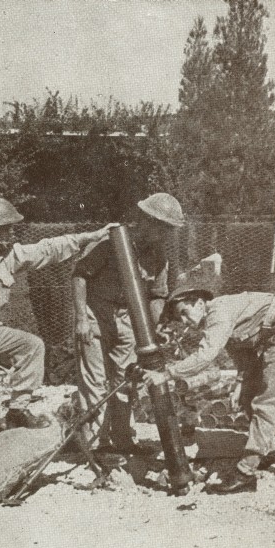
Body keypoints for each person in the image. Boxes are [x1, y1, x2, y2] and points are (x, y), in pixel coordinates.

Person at [0, 197, 115, 464]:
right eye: (7, 228)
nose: (12, 233)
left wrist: (91, 236)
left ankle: (16, 412)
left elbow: (47, 249)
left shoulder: (5, 257)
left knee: (31, 346)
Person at [142, 287, 275, 494]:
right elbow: (242, 349)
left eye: (185, 312)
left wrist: (167, 374)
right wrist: (241, 382)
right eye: (180, 318)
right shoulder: (215, 320)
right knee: (248, 395)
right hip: (273, 332)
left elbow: (206, 356)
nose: (186, 321)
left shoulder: (218, 313)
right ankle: (265, 452)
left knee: (267, 401)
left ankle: (245, 474)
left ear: (199, 303)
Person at [72, 192, 185, 455]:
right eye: (162, 227)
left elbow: (157, 295)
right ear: (146, 221)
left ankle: (122, 441)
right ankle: (96, 448)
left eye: (169, 229)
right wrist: (81, 319)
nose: (165, 234)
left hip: (127, 319)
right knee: (95, 381)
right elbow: (79, 275)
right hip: (95, 314)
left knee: (125, 380)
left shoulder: (158, 256)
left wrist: (155, 331)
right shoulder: (109, 242)